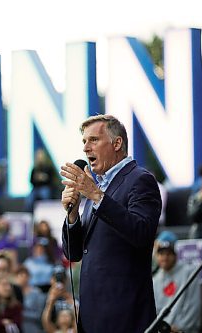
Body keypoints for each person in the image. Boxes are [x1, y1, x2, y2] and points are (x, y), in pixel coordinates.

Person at [60, 114, 162, 332]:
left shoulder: (140, 180)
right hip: (92, 316)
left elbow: (141, 232)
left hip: (124, 315)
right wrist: (73, 215)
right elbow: (75, 253)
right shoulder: (96, 188)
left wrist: (97, 197)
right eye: (84, 141)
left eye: (94, 140)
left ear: (117, 143)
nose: (86, 148)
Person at [153, 240, 202, 333]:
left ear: (175, 255)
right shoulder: (155, 280)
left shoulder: (189, 272)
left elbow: (194, 306)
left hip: (185, 330)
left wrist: (180, 328)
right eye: (161, 254)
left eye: (169, 254)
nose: (165, 257)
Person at [14, 266, 46, 333]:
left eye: (23, 275)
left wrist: (21, 314)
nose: (21, 278)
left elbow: (40, 315)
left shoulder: (37, 292)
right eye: (18, 276)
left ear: (29, 277)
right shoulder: (12, 293)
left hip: (32, 327)